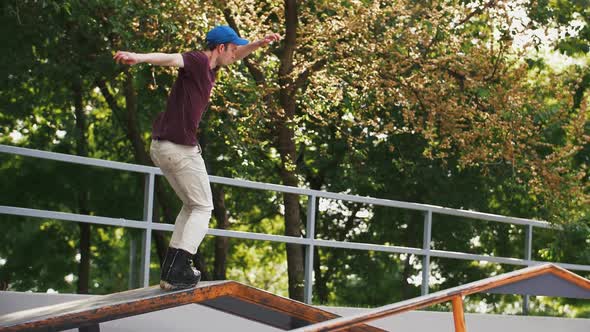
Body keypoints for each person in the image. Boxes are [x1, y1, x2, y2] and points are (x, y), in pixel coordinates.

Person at [114, 26, 281, 290]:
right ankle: (180, 266)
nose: (236, 55)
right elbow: (171, 58)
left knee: (191, 206)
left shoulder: (213, 66)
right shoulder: (198, 60)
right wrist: (139, 56)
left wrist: (259, 43)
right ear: (220, 48)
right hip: (180, 149)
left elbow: (238, 55)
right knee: (204, 208)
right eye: (233, 49)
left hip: (161, 147)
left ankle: (171, 271)